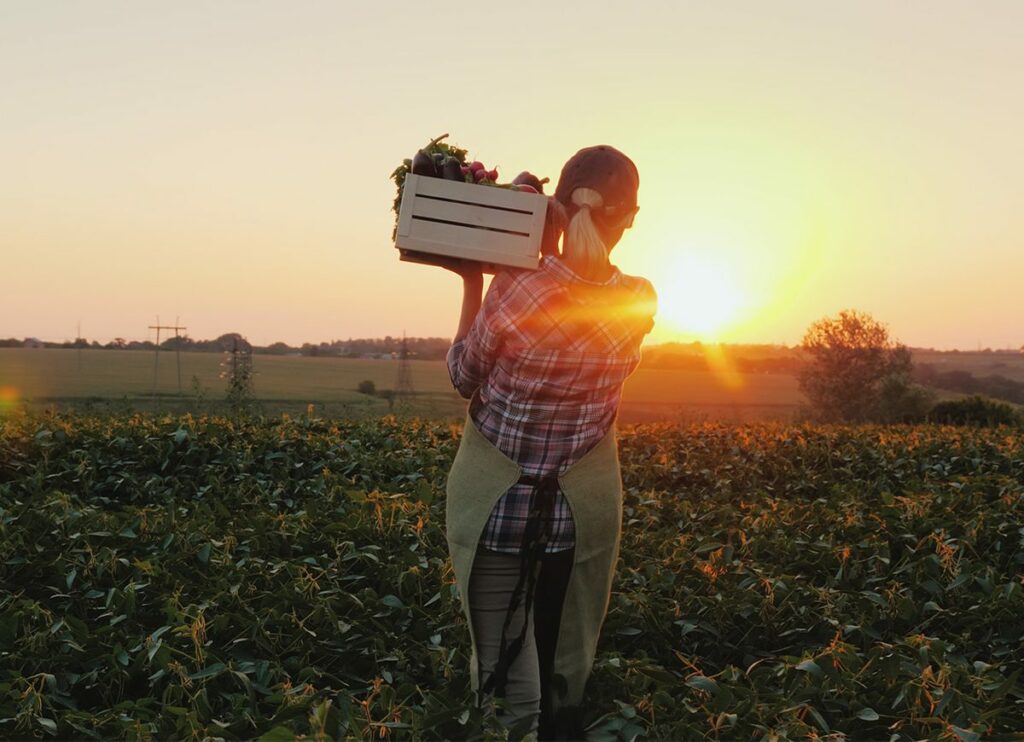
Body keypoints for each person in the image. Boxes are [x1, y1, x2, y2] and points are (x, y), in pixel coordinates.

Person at [442, 145, 656, 740]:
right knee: (560, 672)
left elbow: (463, 376)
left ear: (556, 207)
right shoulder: (640, 299)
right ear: (629, 218)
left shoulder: (516, 287)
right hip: (575, 521)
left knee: (506, 686)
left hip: (497, 514)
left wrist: (474, 279)